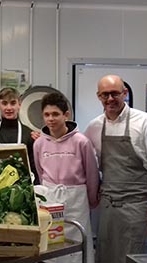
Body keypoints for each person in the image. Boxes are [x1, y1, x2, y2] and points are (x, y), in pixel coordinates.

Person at [84, 75, 147, 263]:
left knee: (135, 256)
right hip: (108, 207)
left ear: (124, 93)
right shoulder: (94, 126)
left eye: (115, 94)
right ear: (98, 96)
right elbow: (80, 155)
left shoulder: (144, 122)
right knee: (106, 255)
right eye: (105, 95)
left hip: (138, 206)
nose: (110, 99)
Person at [33, 91, 99, 263]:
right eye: (47, 115)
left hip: (76, 199)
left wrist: (92, 200)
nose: (51, 119)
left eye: (55, 114)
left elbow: (92, 174)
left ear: (66, 115)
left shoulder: (81, 141)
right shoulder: (39, 143)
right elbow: (40, 172)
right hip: (50, 198)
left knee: (77, 242)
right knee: (52, 243)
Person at [0, 87, 38, 184]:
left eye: (13, 103)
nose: (9, 108)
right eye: (4, 103)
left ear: (19, 105)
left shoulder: (29, 134)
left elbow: (34, 168)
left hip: (21, 188)